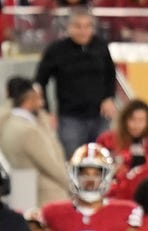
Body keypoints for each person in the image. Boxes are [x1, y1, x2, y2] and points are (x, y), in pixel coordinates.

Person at [35, 8, 118, 157]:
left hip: (99, 116)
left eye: (87, 26)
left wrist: (109, 97)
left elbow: (110, 73)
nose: (83, 31)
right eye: (78, 26)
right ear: (69, 27)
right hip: (70, 118)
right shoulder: (56, 50)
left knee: (102, 159)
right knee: (72, 159)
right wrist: (46, 111)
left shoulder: (101, 46)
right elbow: (40, 81)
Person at [0, 76, 71, 207]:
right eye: (38, 98)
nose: (42, 104)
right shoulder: (28, 131)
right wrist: (73, 186)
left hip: (23, 189)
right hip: (47, 194)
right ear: (29, 99)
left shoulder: (10, 124)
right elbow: (51, 166)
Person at [96, 98, 148, 181]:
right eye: (132, 119)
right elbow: (96, 168)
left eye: (141, 120)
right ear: (125, 120)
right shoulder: (107, 139)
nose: (136, 125)